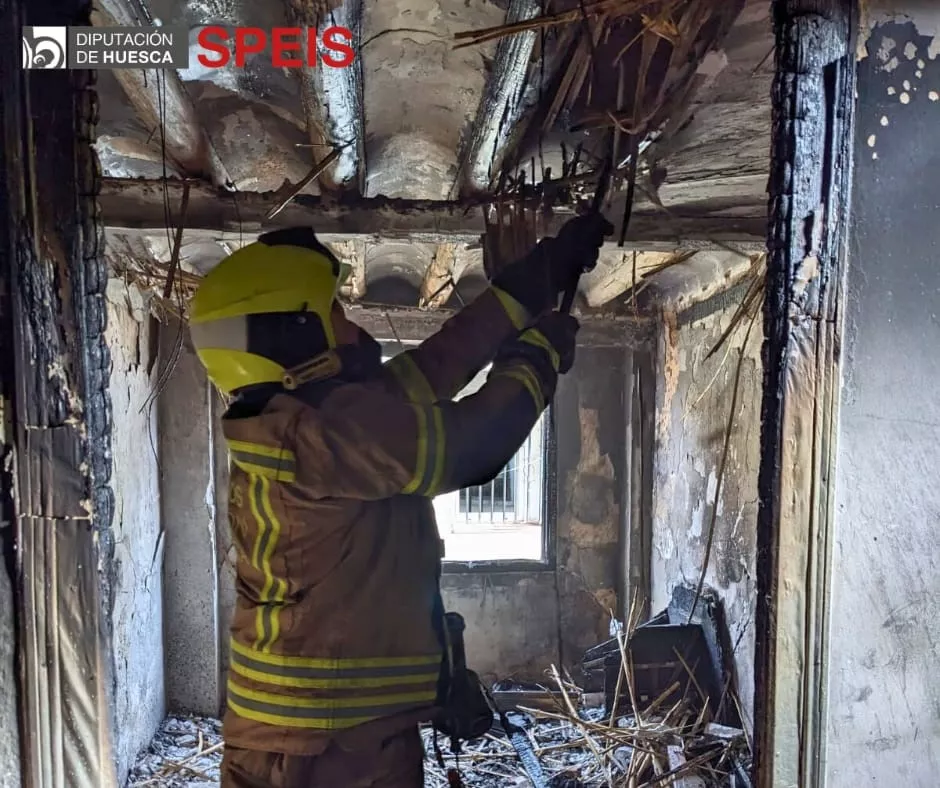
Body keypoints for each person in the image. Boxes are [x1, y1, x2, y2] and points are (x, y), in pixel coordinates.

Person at [187, 214, 613, 788]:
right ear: (290, 333)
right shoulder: (319, 435)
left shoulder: (307, 419)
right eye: (332, 313)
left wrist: (538, 275)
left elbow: (435, 365)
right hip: (324, 749)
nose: (350, 325)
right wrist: (535, 355)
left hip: (324, 731)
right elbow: (471, 446)